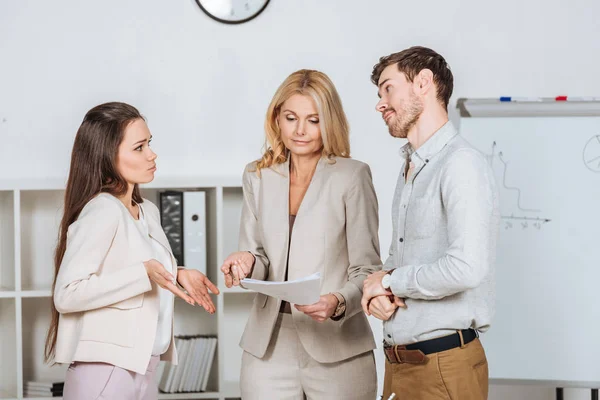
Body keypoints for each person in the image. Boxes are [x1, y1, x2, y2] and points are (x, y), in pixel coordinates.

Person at [220, 69, 380, 399]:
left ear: (329, 121)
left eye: (313, 120)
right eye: (291, 118)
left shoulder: (352, 176)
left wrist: (337, 303)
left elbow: (366, 268)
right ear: (277, 118)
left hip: (337, 342)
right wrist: (245, 262)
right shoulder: (258, 175)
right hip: (269, 343)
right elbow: (259, 258)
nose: (300, 131)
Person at [44, 102, 219, 400]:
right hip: (106, 368)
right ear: (107, 156)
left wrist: (177, 274)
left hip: (143, 364)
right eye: (139, 147)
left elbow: (135, 265)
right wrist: (144, 274)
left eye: (149, 144)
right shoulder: (102, 210)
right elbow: (67, 293)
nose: (152, 154)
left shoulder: (146, 211)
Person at [361, 46, 500, 400]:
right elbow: (400, 256)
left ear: (424, 82)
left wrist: (391, 281)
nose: (380, 103)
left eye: (388, 88)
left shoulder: (461, 164)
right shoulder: (409, 167)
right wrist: (383, 295)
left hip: (443, 366)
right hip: (400, 365)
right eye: (379, 94)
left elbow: (467, 269)